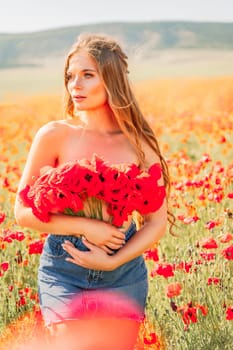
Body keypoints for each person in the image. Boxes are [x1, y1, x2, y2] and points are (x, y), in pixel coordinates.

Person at [14, 33, 169, 347]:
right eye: (70, 76)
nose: (75, 85)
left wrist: (114, 260)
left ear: (111, 79)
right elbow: (22, 212)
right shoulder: (55, 135)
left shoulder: (139, 144)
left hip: (123, 272)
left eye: (87, 75)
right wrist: (86, 226)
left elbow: (156, 222)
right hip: (65, 267)